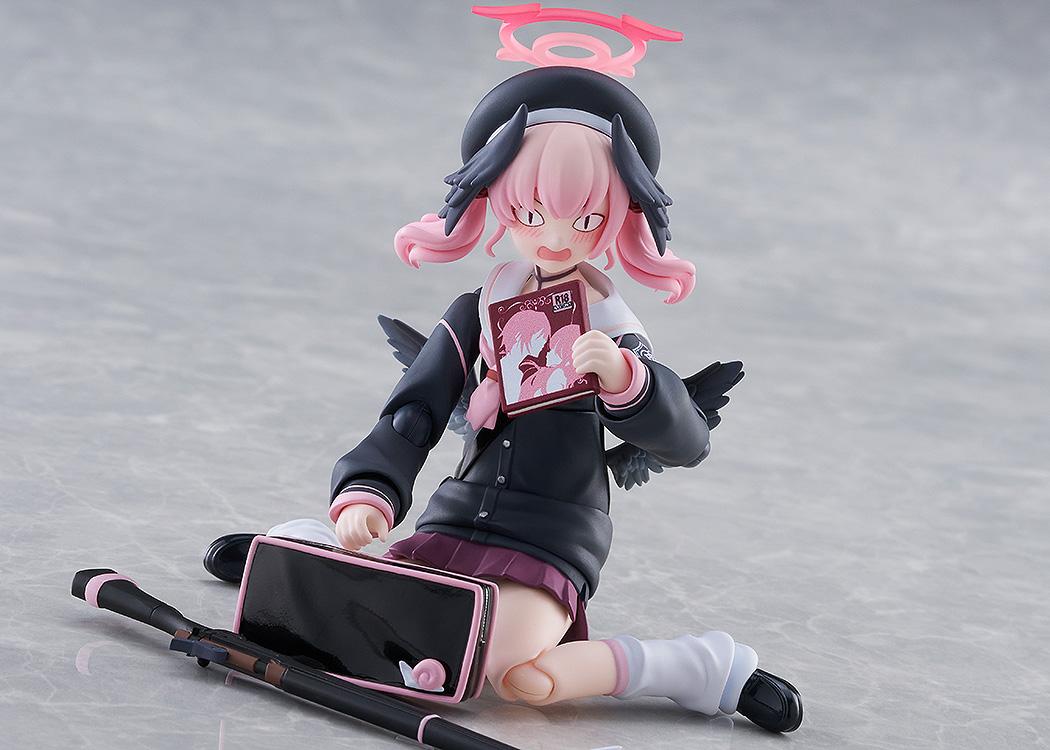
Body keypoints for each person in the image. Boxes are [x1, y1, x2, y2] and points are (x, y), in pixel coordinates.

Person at [206, 42, 802, 734]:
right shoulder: (479, 311)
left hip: (553, 537)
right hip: (457, 516)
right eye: (530, 214)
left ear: (620, 216)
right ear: (494, 200)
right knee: (411, 629)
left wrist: (627, 381)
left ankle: (692, 666)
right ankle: (302, 550)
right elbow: (415, 412)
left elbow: (688, 440)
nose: (555, 238)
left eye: (586, 219)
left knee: (513, 672)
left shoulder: (612, 329)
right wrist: (369, 489)